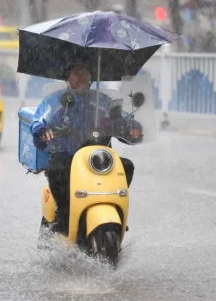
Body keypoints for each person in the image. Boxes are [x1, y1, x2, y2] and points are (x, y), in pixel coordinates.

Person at [30, 61, 141, 235]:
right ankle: (63, 216)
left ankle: (115, 208)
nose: (81, 76)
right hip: (67, 156)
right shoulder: (55, 100)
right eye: (76, 72)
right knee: (58, 169)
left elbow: (120, 118)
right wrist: (43, 130)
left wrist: (132, 126)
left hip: (98, 158)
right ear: (67, 77)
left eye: (85, 71)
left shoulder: (103, 101)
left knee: (126, 166)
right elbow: (38, 120)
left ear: (91, 76)